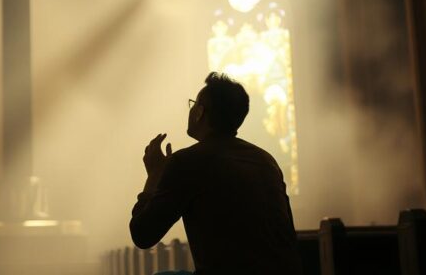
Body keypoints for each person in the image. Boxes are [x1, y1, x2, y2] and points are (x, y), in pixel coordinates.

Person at [129, 72, 301, 275]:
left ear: (200, 112)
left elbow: (143, 234)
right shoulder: (266, 161)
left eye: (193, 104)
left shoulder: (187, 162)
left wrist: (154, 177)